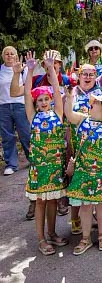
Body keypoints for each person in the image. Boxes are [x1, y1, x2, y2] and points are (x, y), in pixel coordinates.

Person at [22, 54, 68, 255]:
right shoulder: (33, 117)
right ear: (36, 102)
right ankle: (41, 239)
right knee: (40, 201)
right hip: (40, 168)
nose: (42, 102)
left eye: (45, 99)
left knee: (53, 201)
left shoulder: (57, 113)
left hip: (55, 166)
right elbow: (25, 95)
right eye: (39, 100)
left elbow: (58, 92)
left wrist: (51, 69)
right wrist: (30, 70)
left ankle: (52, 233)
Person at [64, 89, 102, 255]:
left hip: (101, 174)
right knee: (85, 206)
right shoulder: (82, 120)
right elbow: (68, 114)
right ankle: (85, 238)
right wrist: (68, 97)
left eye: (95, 103)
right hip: (82, 172)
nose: (91, 105)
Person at [1, 46, 31, 184]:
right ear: (3, 56)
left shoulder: (22, 69)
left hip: (19, 104)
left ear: (16, 55)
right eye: (6, 54)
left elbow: (28, 87)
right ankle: (11, 164)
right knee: (7, 136)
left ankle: (32, 159)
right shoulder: (0, 70)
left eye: (12, 53)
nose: (9, 56)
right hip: (3, 106)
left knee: (25, 133)